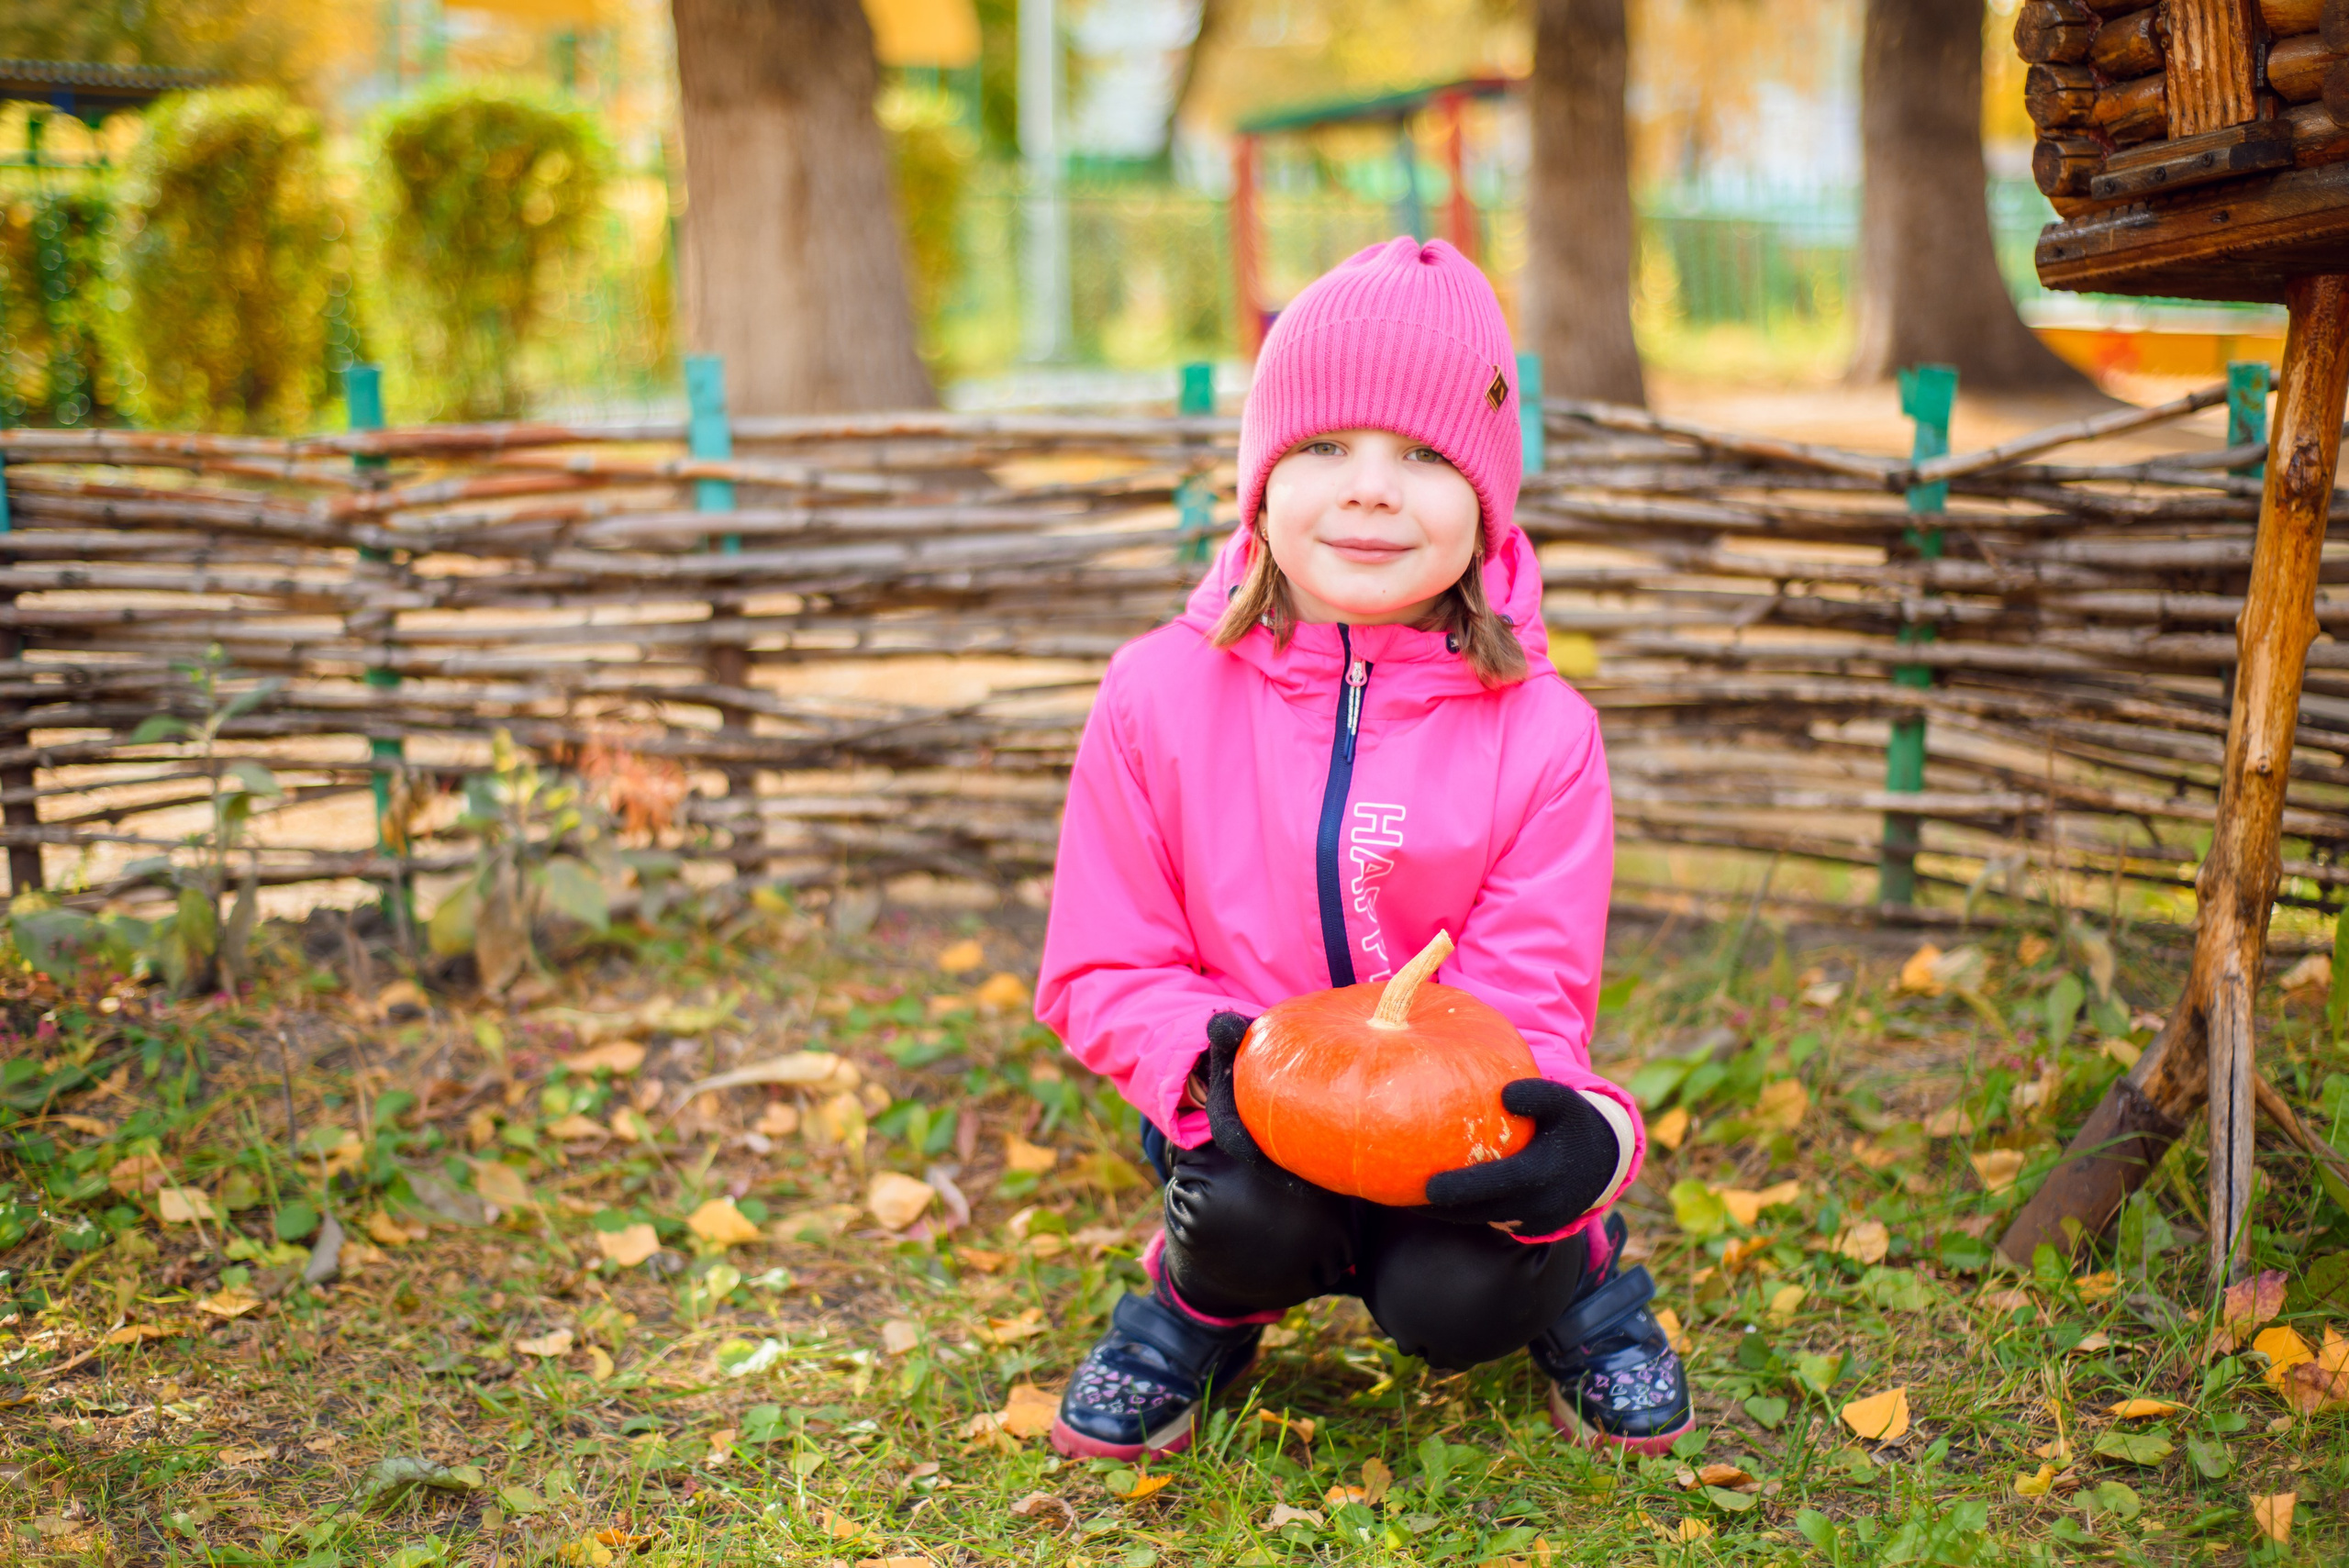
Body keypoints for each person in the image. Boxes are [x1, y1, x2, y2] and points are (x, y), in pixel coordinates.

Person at [1032, 237, 1690, 1462]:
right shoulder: (1154, 696)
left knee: (1462, 1292)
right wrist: (1202, 1059)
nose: (1373, 489)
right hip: (1243, 1111)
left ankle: (1583, 1283)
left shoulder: (1544, 733)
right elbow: (1099, 961)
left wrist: (1587, 1141)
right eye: (1325, 446)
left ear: (1487, 502)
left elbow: (1533, 997)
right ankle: (1192, 1311)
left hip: (1444, 1116)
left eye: (1428, 455)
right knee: (1237, 1206)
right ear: (1260, 480)